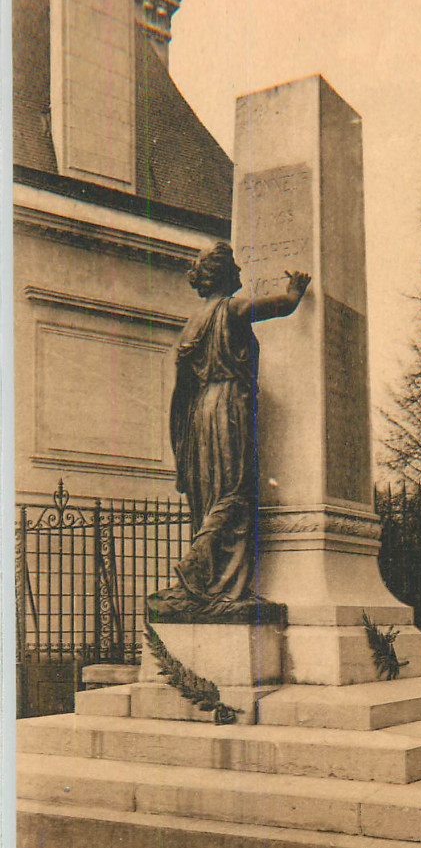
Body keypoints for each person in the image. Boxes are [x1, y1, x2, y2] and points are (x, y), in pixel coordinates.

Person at [147, 241, 311, 623]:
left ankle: (209, 577)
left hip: (201, 413)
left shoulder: (193, 322)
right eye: (235, 266)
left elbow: (180, 388)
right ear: (223, 274)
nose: (240, 271)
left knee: (211, 494)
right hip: (229, 407)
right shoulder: (232, 309)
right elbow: (283, 306)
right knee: (235, 492)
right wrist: (296, 290)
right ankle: (196, 568)